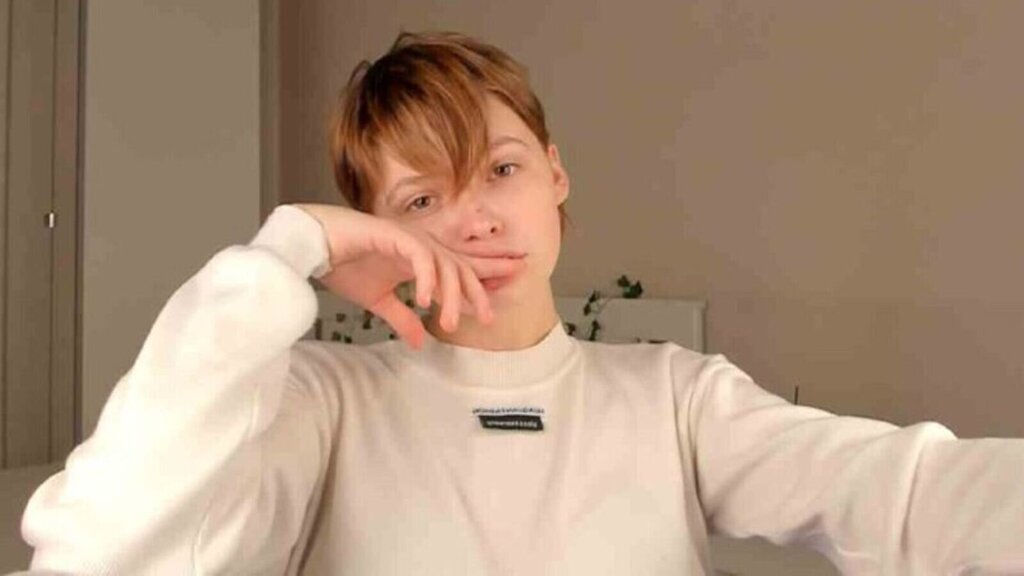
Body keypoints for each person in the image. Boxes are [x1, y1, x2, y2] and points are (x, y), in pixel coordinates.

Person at [19, 30, 1024, 576]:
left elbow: (907, 493)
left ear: (554, 172)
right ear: (372, 227)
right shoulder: (321, 403)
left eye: (500, 169)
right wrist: (286, 250)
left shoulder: (677, 398)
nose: (475, 220)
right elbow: (98, 552)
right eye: (422, 199)